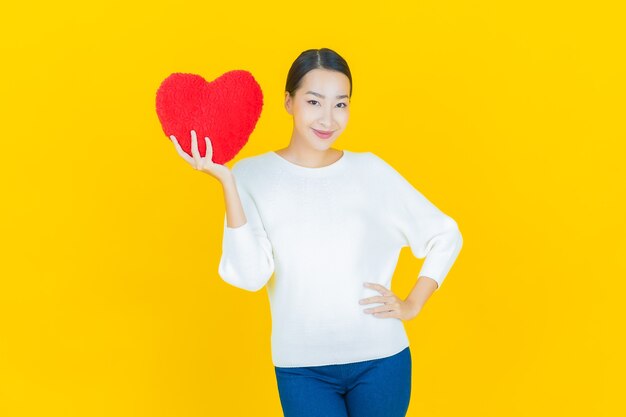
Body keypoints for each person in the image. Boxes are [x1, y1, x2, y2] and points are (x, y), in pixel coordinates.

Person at [170, 48, 463, 417]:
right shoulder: (250, 175)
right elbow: (249, 275)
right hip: (301, 369)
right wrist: (226, 181)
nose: (328, 118)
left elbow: (445, 234)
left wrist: (413, 303)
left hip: (381, 361)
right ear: (289, 102)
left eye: (341, 104)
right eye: (314, 101)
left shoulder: (370, 171)